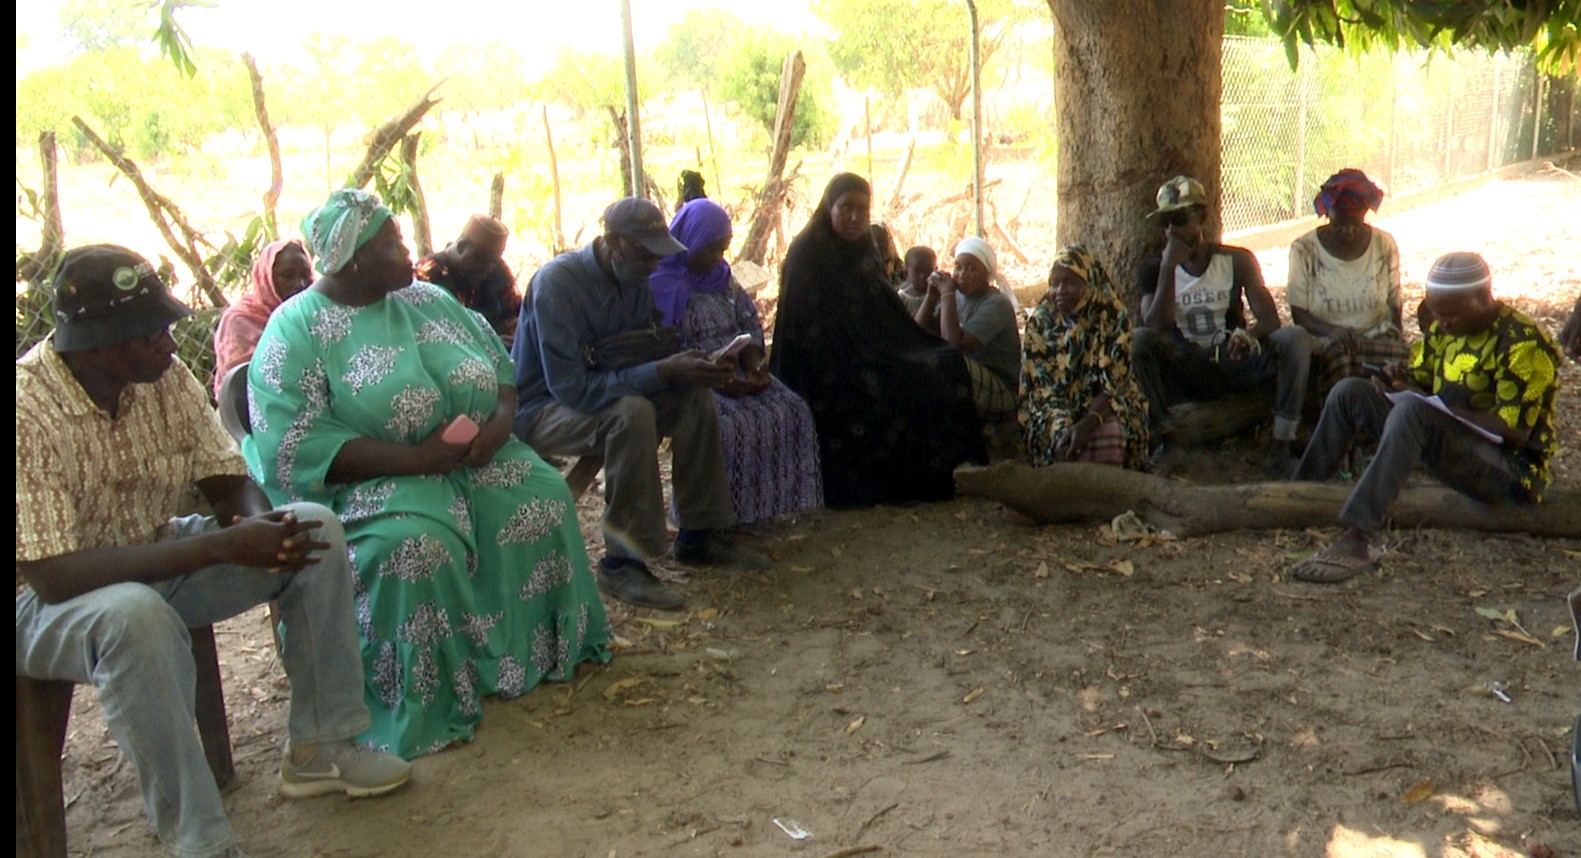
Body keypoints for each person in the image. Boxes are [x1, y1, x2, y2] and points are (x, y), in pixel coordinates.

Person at [17, 245, 411, 858]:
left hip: (155, 553)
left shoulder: (161, 379)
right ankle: (200, 839)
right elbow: (51, 574)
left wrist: (260, 528)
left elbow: (226, 481)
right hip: (42, 603)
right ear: (93, 341)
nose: (170, 344)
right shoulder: (26, 408)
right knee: (133, 617)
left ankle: (320, 748)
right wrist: (215, 547)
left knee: (312, 529)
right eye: (150, 333)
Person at [246, 190, 610, 759]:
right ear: (354, 257)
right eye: (391, 242)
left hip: (469, 463)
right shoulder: (296, 331)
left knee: (541, 493)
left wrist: (498, 425)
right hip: (368, 488)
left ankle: (526, 656)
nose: (408, 249)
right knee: (415, 547)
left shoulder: (427, 300)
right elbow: (293, 448)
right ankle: (423, 696)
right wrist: (416, 461)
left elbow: (498, 367)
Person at [513, 197, 765, 612]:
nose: (653, 266)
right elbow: (572, 389)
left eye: (658, 256)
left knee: (693, 397)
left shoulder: (636, 277)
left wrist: (696, 366)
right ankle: (620, 562)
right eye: (644, 254)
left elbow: (642, 354)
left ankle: (698, 535)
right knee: (632, 414)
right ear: (612, 242)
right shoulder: (557, 285)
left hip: (604, 391)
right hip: (543, 409)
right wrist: (660, 372)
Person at [1290, 252, 1562, 583]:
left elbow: (1513, 432)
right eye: (1437, 313)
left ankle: (1360, 536)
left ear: (1482, 297)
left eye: (1451, 314)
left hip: (1510, 472)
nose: (1443, 322)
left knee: (1413, 412)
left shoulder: (1522, 341)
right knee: (1350, 392)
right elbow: (1423, 381)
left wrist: (1429, 407)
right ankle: (1297, 495)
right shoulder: (1445, 328)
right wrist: (1396, 380)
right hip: (1448, 443)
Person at [770, 173, 986, 508]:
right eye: (846, 208)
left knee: (944, 363)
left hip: (869, 352)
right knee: (893, 384)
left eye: (862, 209)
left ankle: (955, 476)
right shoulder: (806, 254)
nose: (855, 217)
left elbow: (884, 313)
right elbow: (803, 332)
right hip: (824, 367)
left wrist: (896, 348)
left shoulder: (864, 249)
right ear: (830, 207)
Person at [648, 198, 824, 523]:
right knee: (727, 425)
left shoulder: (723, 277)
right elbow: (661, 348)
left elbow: (748, 323)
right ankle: (716, 519)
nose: (719, 258)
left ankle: (766, 507)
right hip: (693, 377)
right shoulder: (661, 284)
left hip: (737, 370)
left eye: (724, 249)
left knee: (792, 409)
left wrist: (756, 365)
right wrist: (714, 375)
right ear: (688, 241)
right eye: (711, 249)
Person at [1132, 175, 1312, 475]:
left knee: (1295, 339)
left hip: (1232, 360)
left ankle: (1282, 443)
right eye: (1164, 222)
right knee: (1138, 340)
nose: (1170, 230)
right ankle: (1166, 442)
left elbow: (1269, 320)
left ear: (1201, 217)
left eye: (1179, 219)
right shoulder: (1154, 269)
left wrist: (1247, 336)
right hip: (1186, 368)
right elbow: (1154, 326)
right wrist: (1168, 267)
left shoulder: (1236, 260)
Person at [1021, 245, 1151, 468]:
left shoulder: (1112, 317)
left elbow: (1113, 386)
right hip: (1054, 404)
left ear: (1089, 282)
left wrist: (1089, 422)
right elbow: (1043, 388)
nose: (1060, 290)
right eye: (1054, 283)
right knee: (1060, 439)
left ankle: (1107, 495)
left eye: (1071, 282)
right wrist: (1063, 426)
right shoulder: (1042, 322)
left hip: (1108, 404)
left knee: (1111, 436)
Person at [1287, 169, 1408, 397]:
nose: (1348, 231)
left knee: (1398, 358)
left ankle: (1382, 416)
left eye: (1355, 223)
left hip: (1375, 333)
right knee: (1340, 357)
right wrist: (1334, 331)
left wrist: (1398, 334)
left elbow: (1394, 300)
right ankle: (1342, 420)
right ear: (1329, 215)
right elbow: (1299, 314)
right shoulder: (1304, 250)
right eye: (1340, 223)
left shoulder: (1383, 244)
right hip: (1326, 337)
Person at [915, 236, 1022, 422]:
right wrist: (931, 297)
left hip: (1001, 388)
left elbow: (953, 345)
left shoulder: (996, 304)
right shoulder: (956, 298)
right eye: (958, 267)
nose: (962, 274)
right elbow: (915, 333)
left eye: (971, 268)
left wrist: (947, 293)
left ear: (986, 273)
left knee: (948, 360)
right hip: (970, 382)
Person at [212, 238, 312, 395]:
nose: (300, 285)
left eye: (306, 276)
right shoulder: (240, 321)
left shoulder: (313, 317)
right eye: (287, 276)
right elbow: (239, 388)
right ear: (267, 279)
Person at [414, 215, 521, 337]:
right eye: (482, 260)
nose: (489, 268)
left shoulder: (498, 272)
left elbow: (517, 322)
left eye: (494, 262)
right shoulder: (427, 273)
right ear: (462, 247)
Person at [896, 245, 935, 315]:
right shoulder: (901, 298)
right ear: (906, 274)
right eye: (917, 272)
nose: (923, 276)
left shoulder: (939, 295)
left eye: (928, 271)